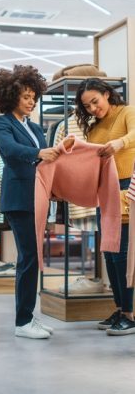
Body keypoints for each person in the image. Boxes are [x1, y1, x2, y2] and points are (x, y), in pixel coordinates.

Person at [0, 65, 59, 339]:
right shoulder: (1, 122)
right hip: (19, 199)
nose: (31, 102)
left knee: (34, 258)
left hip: (38, 197)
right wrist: (40, 152)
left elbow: (44, 162)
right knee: (29, 258)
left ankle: (30, 316)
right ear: (11, 95)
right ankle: (22, 322)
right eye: (26, 96)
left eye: (33, 97)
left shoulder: (33, 126)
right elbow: (10, 150)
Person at [75, 77, 135, 335]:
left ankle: (130, 314)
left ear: (107, 94)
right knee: (109, 253)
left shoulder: (127, 112)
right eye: (87, 106)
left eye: (95, 102)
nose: (92, 109)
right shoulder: (94, 128)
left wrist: (119, 143)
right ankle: (120, 307)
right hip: (105, 192)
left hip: (126, 189)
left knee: (123, 255)